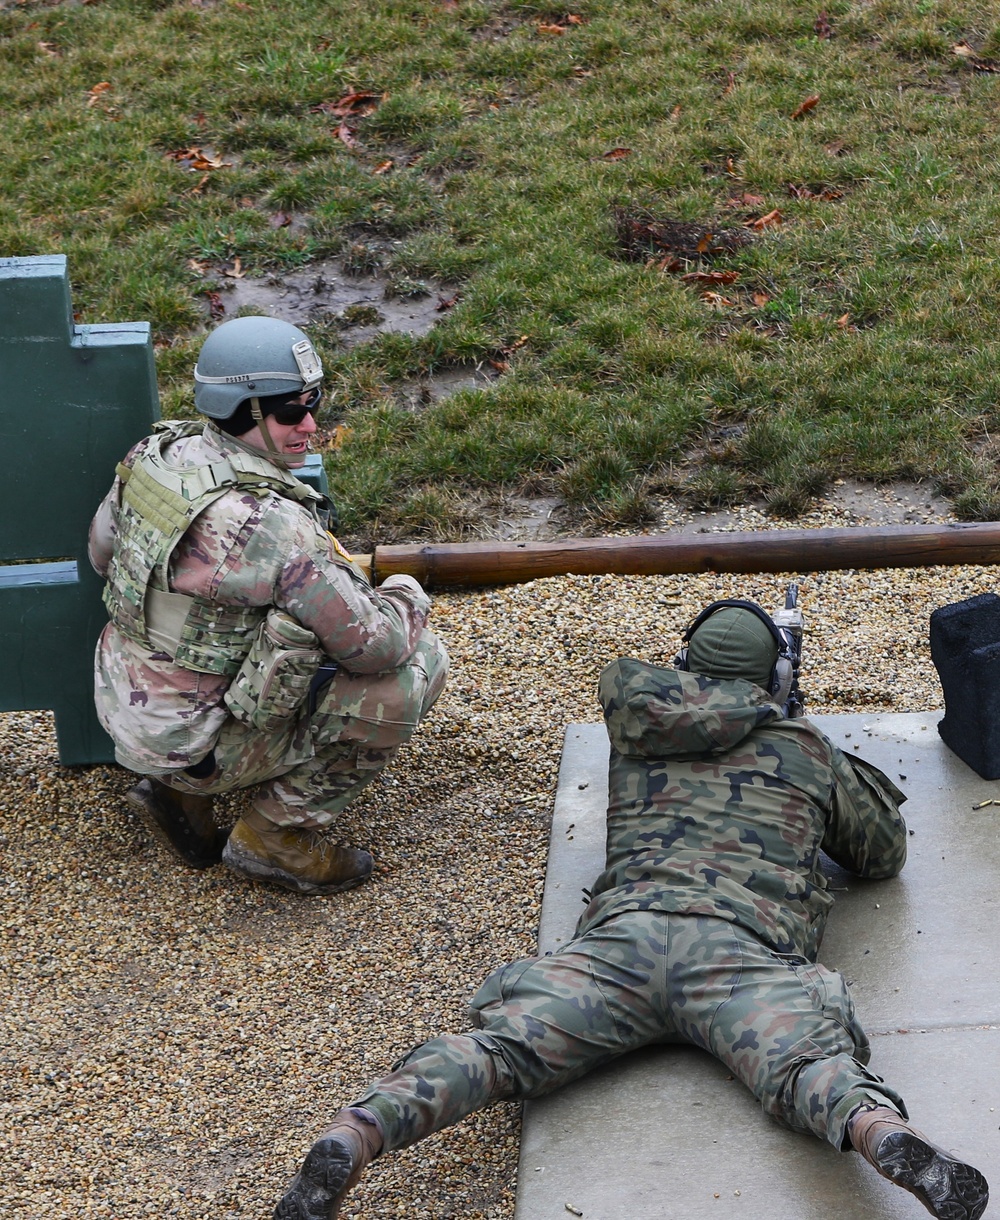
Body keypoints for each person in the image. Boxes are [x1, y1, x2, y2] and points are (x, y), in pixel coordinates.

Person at [273, 600, 988, 1220]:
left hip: (619, 945)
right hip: (738, 954)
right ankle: (880, 1134)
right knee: (806, 1064)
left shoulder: (636, 731)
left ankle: (357, 1132)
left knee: (501, 1050)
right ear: (775, 678)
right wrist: (806, 740)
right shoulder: (800, 746)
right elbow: (880, 854)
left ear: (681, 662)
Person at [88, 315, 448, 894]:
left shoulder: (159, 456)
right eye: (289, 412)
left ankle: (177, 793)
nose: (311, 424)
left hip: (127, 709)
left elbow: (103, 555)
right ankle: (277, 837)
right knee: (410, 672)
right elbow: (378, 645)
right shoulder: (271, 524)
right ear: (243, 410)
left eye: (314, 401)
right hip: (197, 741)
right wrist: (405, 588)